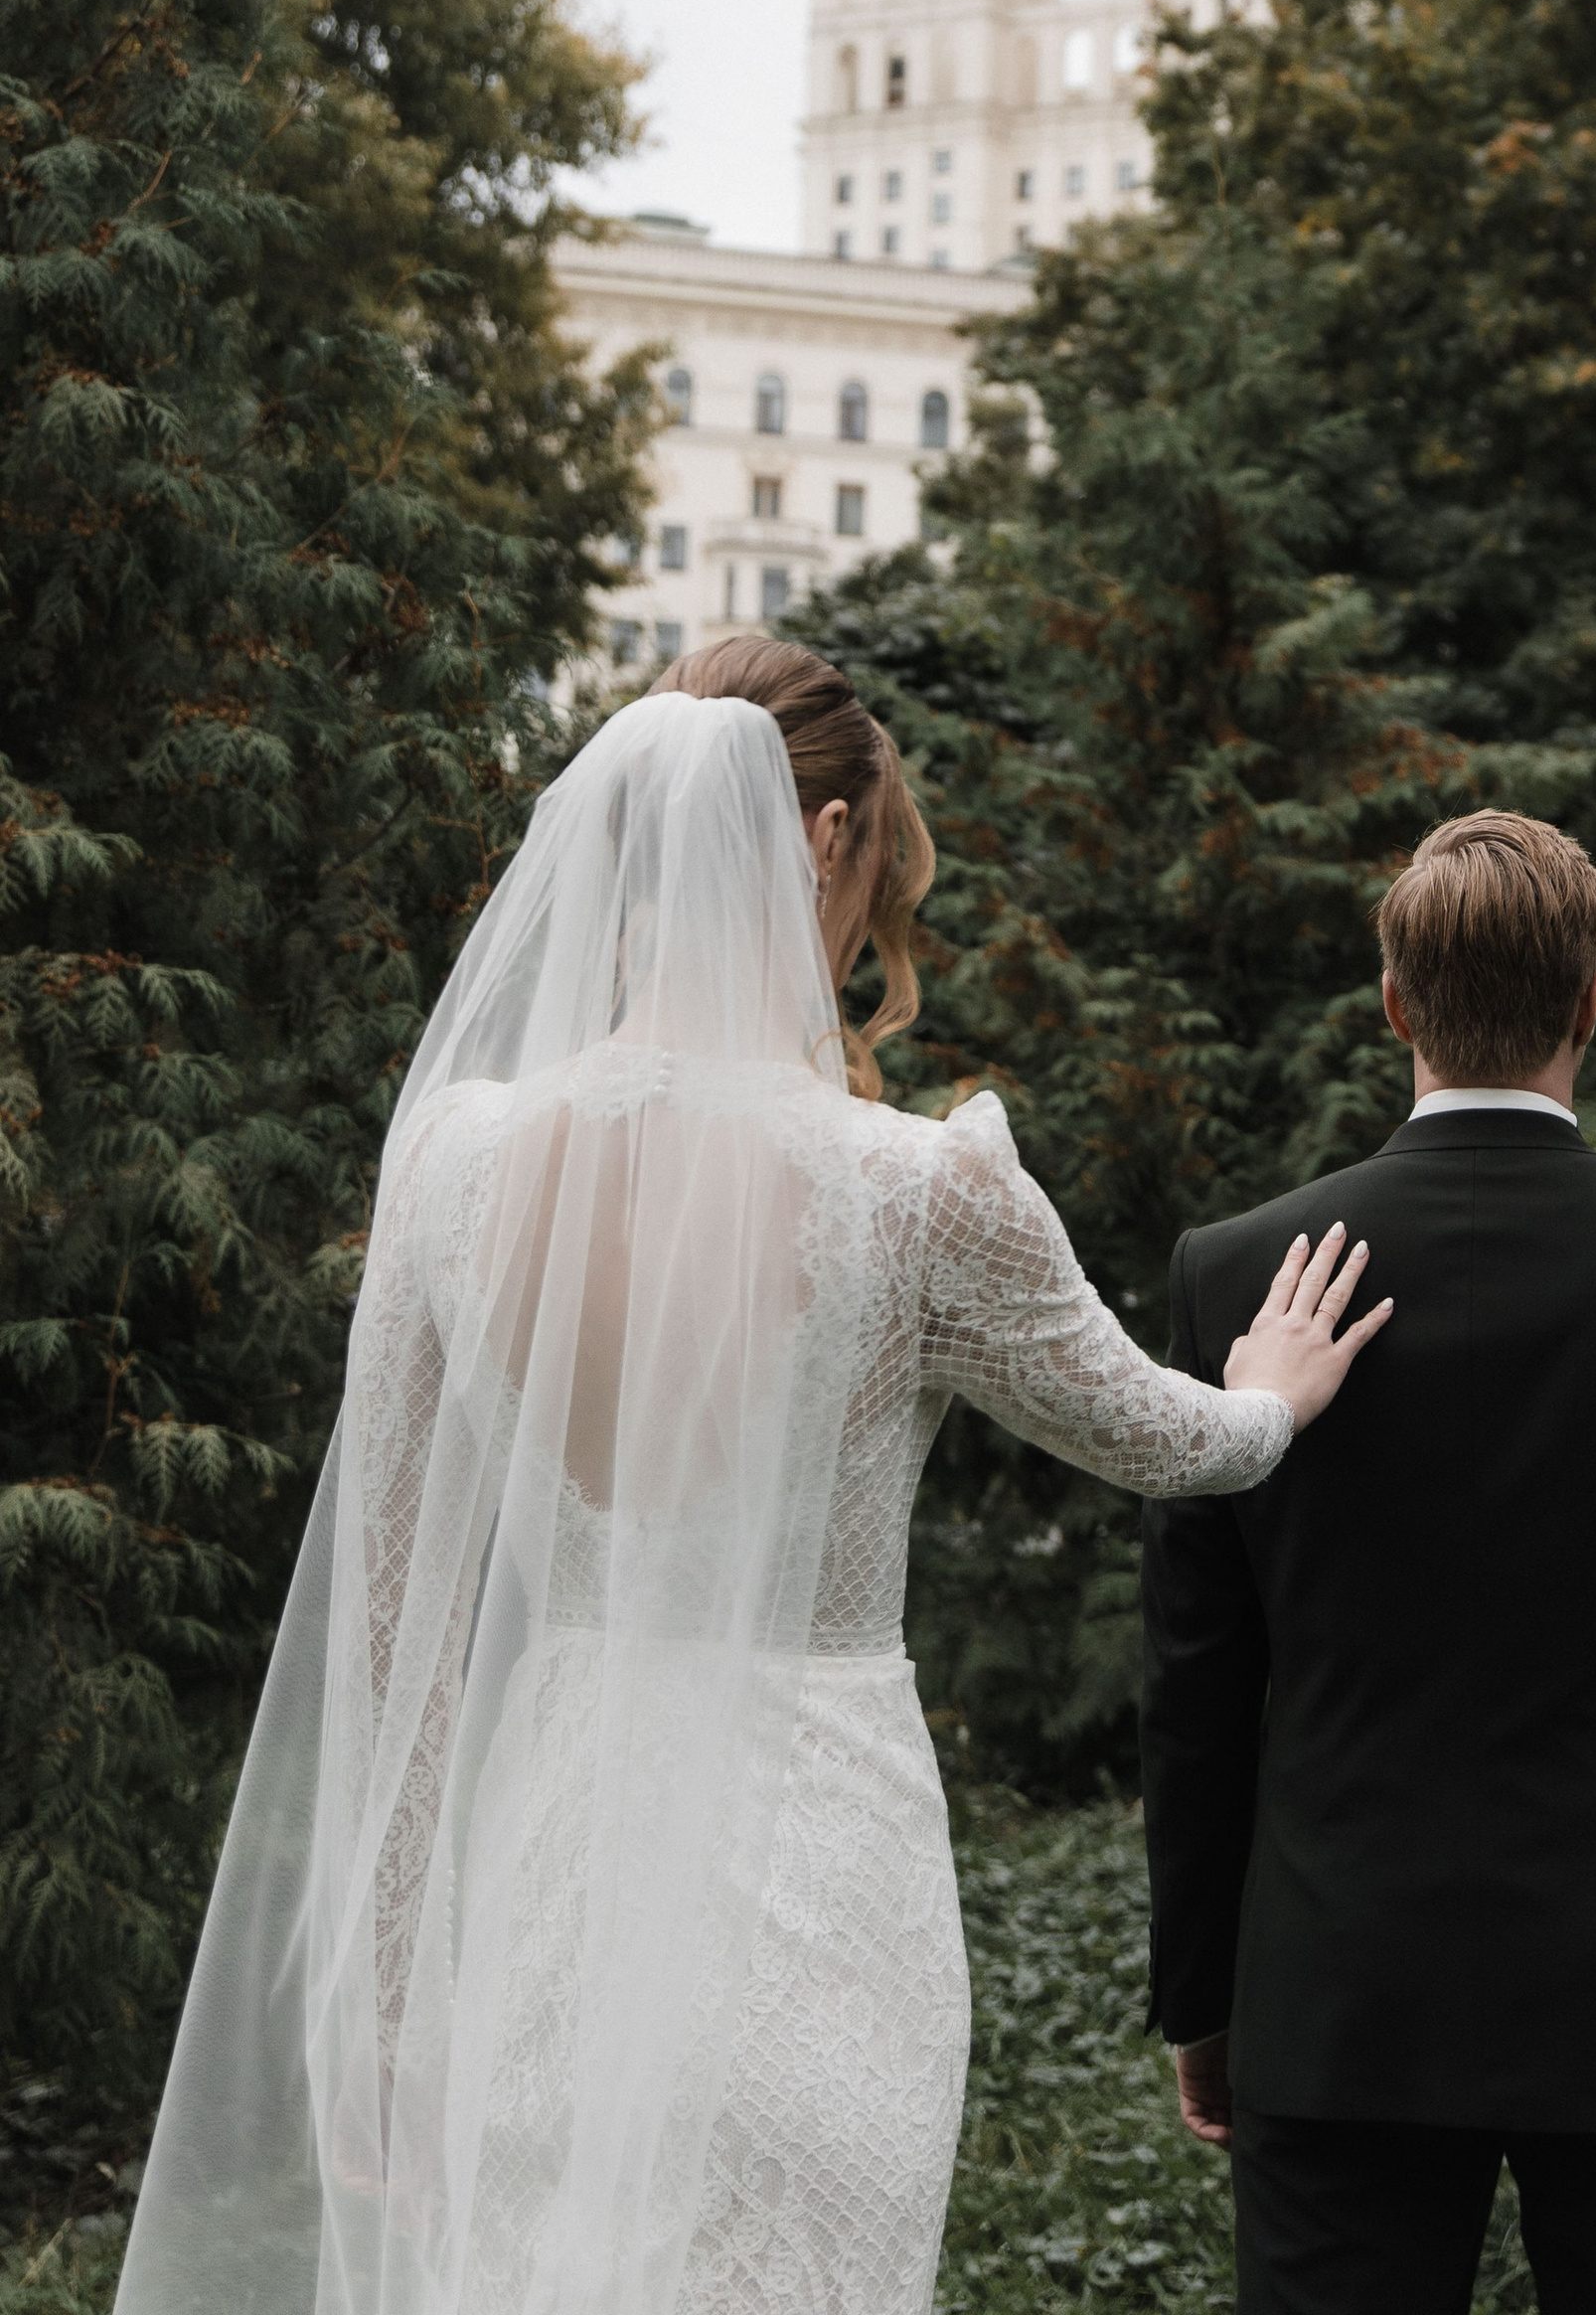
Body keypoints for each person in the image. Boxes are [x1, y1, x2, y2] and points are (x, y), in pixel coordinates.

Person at [121, 634, 1389, 2315]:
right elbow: (1169, 1443)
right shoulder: (922, 1193)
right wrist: (1272, 1401)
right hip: (819, 1876)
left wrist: (391, 1996)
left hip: (553, 1889)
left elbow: (389, 1607)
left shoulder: (455, 1165)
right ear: (829, 836)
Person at [1141, 808, 1596, 2315]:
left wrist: (1204, 1997)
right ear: (1590, 1003)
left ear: (1393, 1004)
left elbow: (1195, 1686)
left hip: (1341, 2000)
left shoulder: (1240, 1276)